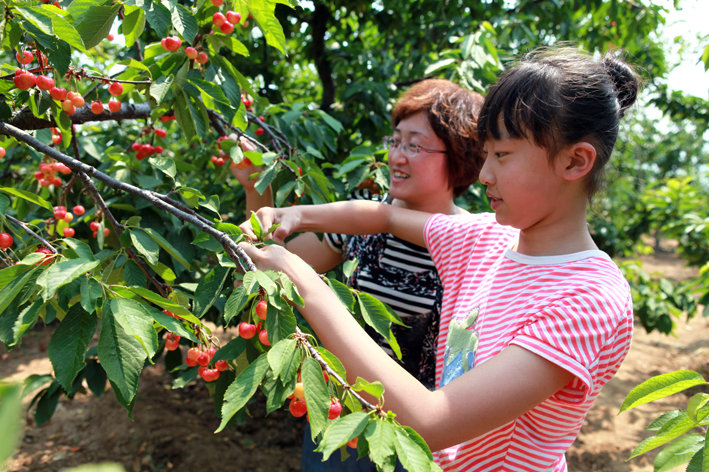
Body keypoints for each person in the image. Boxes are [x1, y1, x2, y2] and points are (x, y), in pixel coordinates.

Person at [239, 47, 639, 471]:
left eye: (502, 155)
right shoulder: (487, 238)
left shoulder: (588, 299)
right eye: (486, 154)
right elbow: (386, 215)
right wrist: (295, 214)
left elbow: (431, 421)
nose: (485, 174)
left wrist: (307, 287)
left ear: (575, 161)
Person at [232, 79, 485, 470]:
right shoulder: (356, 220)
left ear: (460, 158)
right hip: (339, 414)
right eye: (396, 141)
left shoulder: (472, 244)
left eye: (414, 145)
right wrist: (255, 190)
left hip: (418, 436)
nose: (397, 156)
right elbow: (272, 268)